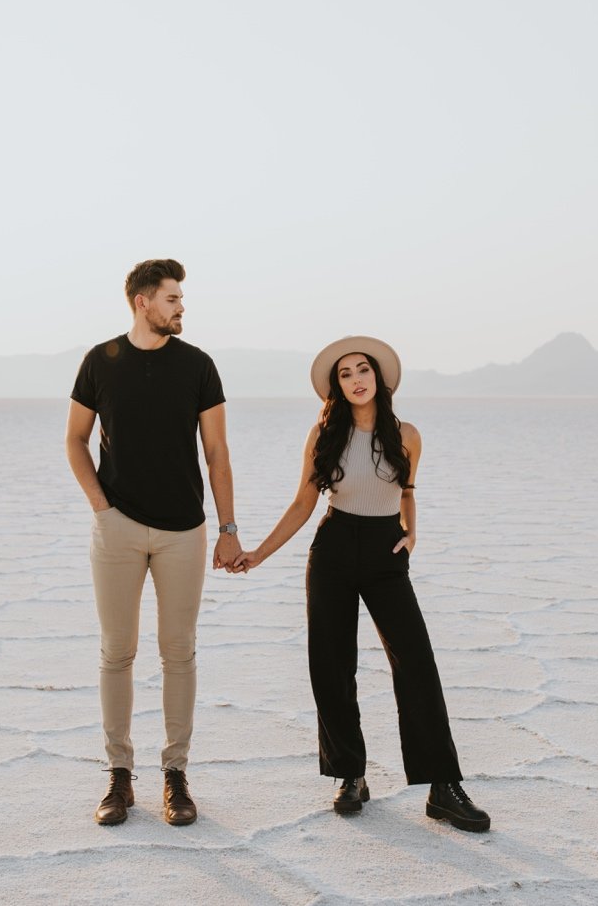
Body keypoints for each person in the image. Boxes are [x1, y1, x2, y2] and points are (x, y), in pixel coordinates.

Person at [234, 336, 490, 832]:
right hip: (332, 548)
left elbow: (407, 491)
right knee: (331, 665)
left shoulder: (407, 433)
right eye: (346, 374)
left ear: (379, 378)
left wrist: (411, 534)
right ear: (338, 386)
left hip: (384, 553)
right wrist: (259, 554)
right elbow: (303, 504)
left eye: (362, 370)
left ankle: (442, 786)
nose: (356, 379)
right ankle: (349, 775)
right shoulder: (323, 435)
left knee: (415, 663)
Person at [66, 258, 244, 826]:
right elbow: (74, 440)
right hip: (116, 528)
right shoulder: (100, 361)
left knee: (178, 651)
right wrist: (102, 507)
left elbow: (216, 453)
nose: (180, 307)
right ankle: (119, 777)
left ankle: (175, 775)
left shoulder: (198, 366)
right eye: (172, 298)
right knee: (117, 652)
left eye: (181, 299)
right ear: (143, 301)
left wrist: (227, 529)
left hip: (183, 532)